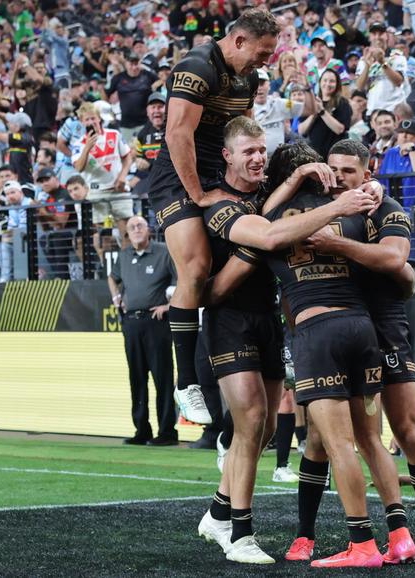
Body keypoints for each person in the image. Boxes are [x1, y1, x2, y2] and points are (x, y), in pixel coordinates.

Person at [196, 118, 377, 565]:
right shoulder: (218, 204)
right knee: (252, 419)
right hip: (229, 318)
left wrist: (363, 193)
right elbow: (258, 246)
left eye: (262, 150)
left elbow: (274, 218)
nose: (257, 158)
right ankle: (240, 534)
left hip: (267, 318)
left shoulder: (266, 200)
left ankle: (218, 512)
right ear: (229, 156)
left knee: (265, 430)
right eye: (248, 151)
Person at [296, 139, 415, 563]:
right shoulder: (320, 206)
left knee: (407, 431)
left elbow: (398, 261)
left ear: (368, 172)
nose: (339, 177)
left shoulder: (384, 207)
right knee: (320, 437)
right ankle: (305, 536)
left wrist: (337, 246)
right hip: (343, 329)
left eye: (349, 170)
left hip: (384, 329)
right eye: (333, 168)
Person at [146, 9, 281, 428]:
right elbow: (177, 135)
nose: (267, 61)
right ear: (239, 41)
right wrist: (199, 193)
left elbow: (244, 129)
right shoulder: (196, 67)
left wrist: (258, 171)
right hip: (178, 176)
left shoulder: (250, 78)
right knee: (197, 265)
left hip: (220, 172)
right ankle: (186, 383)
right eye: (263, 52)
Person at [108, 215, 177, 447]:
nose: (136, 230)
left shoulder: (163, 252)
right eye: (131, 228)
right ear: (127, 233)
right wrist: (116, 296)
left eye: (140, 226)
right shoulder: (124, 255)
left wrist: (169, 306)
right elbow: (112, 277)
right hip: (132, 323)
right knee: (136, 378)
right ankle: (141, 430)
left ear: (148, 230)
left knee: (162, 378)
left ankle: (167, 432)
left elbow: (183, 279)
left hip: (156, 323)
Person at [71, 102, 133, 245]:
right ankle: (107, 267)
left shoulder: (115, 135)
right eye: (87, 119)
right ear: (82, 122)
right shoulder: (78, 144)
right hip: (97, 193)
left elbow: (127, 157)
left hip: (119, 190)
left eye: (93, 118)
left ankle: (127, 265)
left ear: (99, 118)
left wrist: (123, 176)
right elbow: (79, 168)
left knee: (126, 232)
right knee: (104, 238)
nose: (91, 122)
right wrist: (87, 148)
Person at [356, 22, 410, 116]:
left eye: (380, 33)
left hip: (395, 109)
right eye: (374, 34)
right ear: (370, 37)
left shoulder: (397, 55)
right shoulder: (363, 60)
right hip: (373, 111)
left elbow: (398, 81)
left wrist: (382, 62)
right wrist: (367, 66)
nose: (377, 37)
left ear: (386, 36)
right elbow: (360, 87)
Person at [378, 118, 415, 210]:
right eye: (401, 132)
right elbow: (382, 182)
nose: (404, 136)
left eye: (409, 133)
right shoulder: (391, 153)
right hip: (392, 208)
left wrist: (412, 150)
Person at [106, 52, 158, 143]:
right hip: (126, 124)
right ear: (126, 64)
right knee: (129, 151)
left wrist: (155, 86)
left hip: (145, 122)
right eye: (131, 64)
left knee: (147, 149)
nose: (134, 67)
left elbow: (162, 79)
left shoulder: (147, 75)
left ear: (140, 63)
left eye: (136, 64)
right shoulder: (118, 78)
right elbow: (107, 95)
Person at [299, 69, 351, 158]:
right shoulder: (312, 102)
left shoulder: (342, 103)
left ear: (337, 84)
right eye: (325, 80)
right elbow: (301, 130)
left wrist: (322, 111)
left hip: (335, 155)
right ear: (320, 83)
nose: (327, 84)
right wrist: (314, 114)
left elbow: (339, 129)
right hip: (313, 155)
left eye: (332, 81)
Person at [253, 68, 305, 156]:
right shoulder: (246, 109)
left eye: (262, 83)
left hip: (279, 158)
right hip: (258, 158)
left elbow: (303, 108)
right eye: (256, 84)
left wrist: (306, 89)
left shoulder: (280, 103)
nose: (259, 87)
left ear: (269, 85)